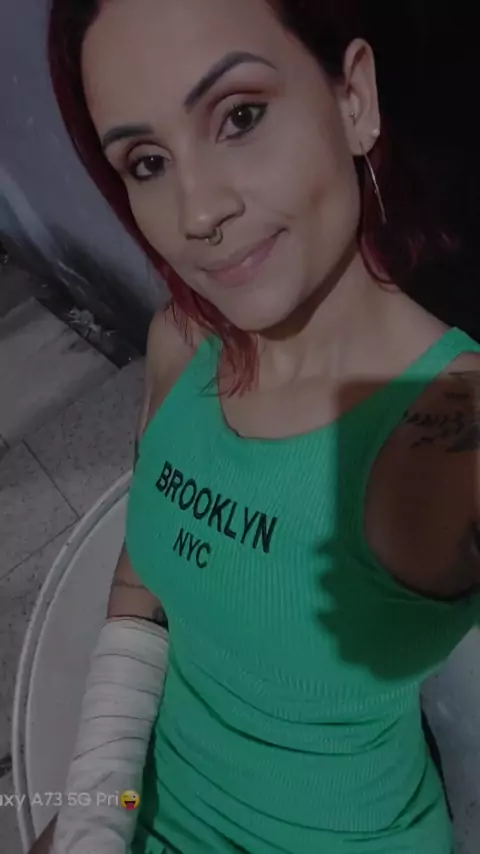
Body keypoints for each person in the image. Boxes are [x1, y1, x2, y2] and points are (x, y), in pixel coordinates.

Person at [30, 0, 480, 851]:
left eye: (239, 116)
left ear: (354, 98)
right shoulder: (181, 343)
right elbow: (144, 576)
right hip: (146, 795)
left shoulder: (455, 434)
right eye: (147, 161)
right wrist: (95, 804)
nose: (196, 213)